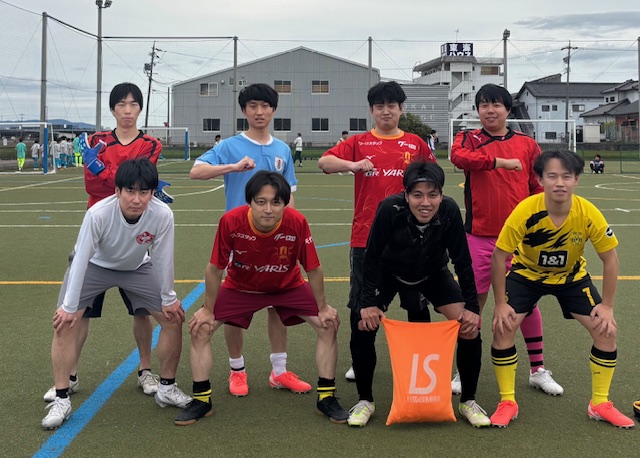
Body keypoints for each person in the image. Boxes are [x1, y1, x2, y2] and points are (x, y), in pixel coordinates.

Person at [174, 171, 347, 426]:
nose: (268, 209)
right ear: (250, 202)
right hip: (242, 288)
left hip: (287, 287)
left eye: (276, 202)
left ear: (285, 203)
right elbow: (214, 268)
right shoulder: (231, 221)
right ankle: (202, 400)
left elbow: (313, 268)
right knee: (201, 327)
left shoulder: (297, 222)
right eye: (261, 202)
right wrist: (208, 309)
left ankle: (326, 397)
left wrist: (323, 307)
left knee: (328, 324)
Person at [42, 158, 190, 430]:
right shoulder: (98, 214)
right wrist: (70, 307)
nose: (136, 199)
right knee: (64, 322)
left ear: (152, 192)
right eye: (130, 191)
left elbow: (162, 257)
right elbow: (81, 259)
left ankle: (167, 388)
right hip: (94, 266)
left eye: (144, 192)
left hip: (136, 268)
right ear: (117, 191)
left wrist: (169, 298)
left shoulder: (162, 215)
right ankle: (62, 397)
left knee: (173, 318)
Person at [489, 150, 634, 429]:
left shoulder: (587, 212)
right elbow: (499, 256)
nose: (559, 183)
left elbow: (610, 258)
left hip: (571, 278)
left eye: (566, 176)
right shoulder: (525, 211)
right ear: (540, 179)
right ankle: (507, 401)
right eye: (552, 176)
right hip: (527, 275)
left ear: (576, 179)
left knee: (607, 330)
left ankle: (599, 403)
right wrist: (499, 304)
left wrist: (607, 306)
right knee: (502, 327)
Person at [42, 82, 164, 404]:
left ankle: (145, 370)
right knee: (77, 313)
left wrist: (103, 169)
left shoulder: (151, 144)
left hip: (134, 236)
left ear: (140, 109)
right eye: (121, 104)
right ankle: (69, 375)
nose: (127, 110)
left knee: (142, 312)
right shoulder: (97, 140)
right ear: (112, 109)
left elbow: (137, 181)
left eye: (133, 104)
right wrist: (110, 174)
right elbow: (92, 184)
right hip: (96, 235)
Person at [190, 83, 308, 397]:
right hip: (239, 240)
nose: (259, 112)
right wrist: (233, 167)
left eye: (265, 106)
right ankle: (237, 370)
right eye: (253, 106)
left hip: (276, 241)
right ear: (244, 111)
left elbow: (290, 197)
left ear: (273, 110)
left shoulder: (282, 150)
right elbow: (196, 171)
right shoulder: (230, 146)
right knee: (234, 307)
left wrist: (293, 236)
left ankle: (279, 371)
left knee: (277, 303)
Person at [351, 161, 489, 427]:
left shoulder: (449, 211)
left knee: (469, 328)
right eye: (417, 195)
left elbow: (462, 262)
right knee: (362, 323)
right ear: (406, 195)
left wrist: (472, 308)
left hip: (432, 273)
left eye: (432, 195)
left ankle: (468, 401)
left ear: (441, 195)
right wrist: (367, 302)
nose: (425, 203)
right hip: (389, 273)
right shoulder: (390, 210)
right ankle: (365, 400)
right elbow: (371, 258)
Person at [318, 81, 436, 388]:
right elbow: (324, 162)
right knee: (363, 303)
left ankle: (419, 362)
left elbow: (434, 179)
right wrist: (353, 164)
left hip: (411, 239)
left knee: (417, 303)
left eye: (391, 106)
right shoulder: (359, 142)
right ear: (371, 110)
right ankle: (360, 362)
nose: (386, 111)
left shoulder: (415, 144)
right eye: (379, 106)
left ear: (401, 109)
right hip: (366, 238)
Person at [449, 84, 563, 397]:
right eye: (484, 105)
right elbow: (458, 158)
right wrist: (498, 161)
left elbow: (537, 188)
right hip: (479, 236)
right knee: (474, 302)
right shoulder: (468, 139)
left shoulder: (527, 144)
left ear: (508, 109)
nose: (490, 110)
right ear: (477, 110)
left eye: (496, 104)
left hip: (520, 240)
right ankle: (463, 369)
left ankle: (537, 369)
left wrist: (543, 226)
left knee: (525, 302)